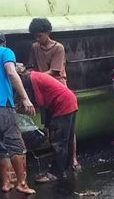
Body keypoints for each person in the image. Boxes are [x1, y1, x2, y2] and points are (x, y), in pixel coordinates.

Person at [0, 31, 36, 194]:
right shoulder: (5, 52)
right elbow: (11, 72)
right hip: (1, 106)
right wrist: (25, 98)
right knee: (16, 145)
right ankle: (22, 183)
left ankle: (6, 183)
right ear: (4, 42)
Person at [28, 17, 81, 171]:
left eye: (40, 36)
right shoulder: (34, 47)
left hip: (58, 88)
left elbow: (54, 71)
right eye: (35, 36)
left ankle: (73, 159)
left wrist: (35, 77)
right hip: (43, 90)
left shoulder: (58, 48)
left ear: (48, 32)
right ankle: (58, 160)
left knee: (67, 130)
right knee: (50, 127)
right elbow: (31, 66)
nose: (38, 39)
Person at [16, 64, 78, 183]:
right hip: (68, 100)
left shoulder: (30, 80)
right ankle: (64, 168)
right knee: (67, 139)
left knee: (59, 142)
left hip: (62, 104)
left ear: (19, 76)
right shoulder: (35, 76)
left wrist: (25, 105)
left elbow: (40, 101)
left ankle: (55, 173)